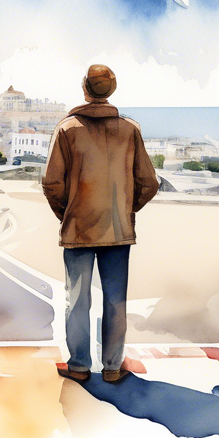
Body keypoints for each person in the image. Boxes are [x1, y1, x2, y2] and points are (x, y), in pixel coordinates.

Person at [41, 64, 159, 384]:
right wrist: (124, 209)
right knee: (115, 300)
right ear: (112, 89)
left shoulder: (67, 129)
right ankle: (112, 367)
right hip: (118, 230)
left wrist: (68, 213)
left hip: (78, 228)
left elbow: (52, 183)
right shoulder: (130, 129)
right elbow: (149, 183)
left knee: (77, 300)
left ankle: (79, 365)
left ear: (84, 88)